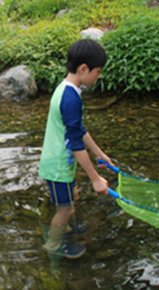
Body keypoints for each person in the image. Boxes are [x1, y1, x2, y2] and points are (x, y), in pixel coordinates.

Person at [38, 39, 112, 259]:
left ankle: (67, 230)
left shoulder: (67, 90)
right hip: (58, 166)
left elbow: (79, 129)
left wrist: (100, 154)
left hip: (60, 161)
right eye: (97, 71)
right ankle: (52, 244)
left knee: (71, 199)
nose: (98, 76)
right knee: (65, 209)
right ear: (83, 69)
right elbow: (75, 144)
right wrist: (95, 178)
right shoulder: (70, 99)